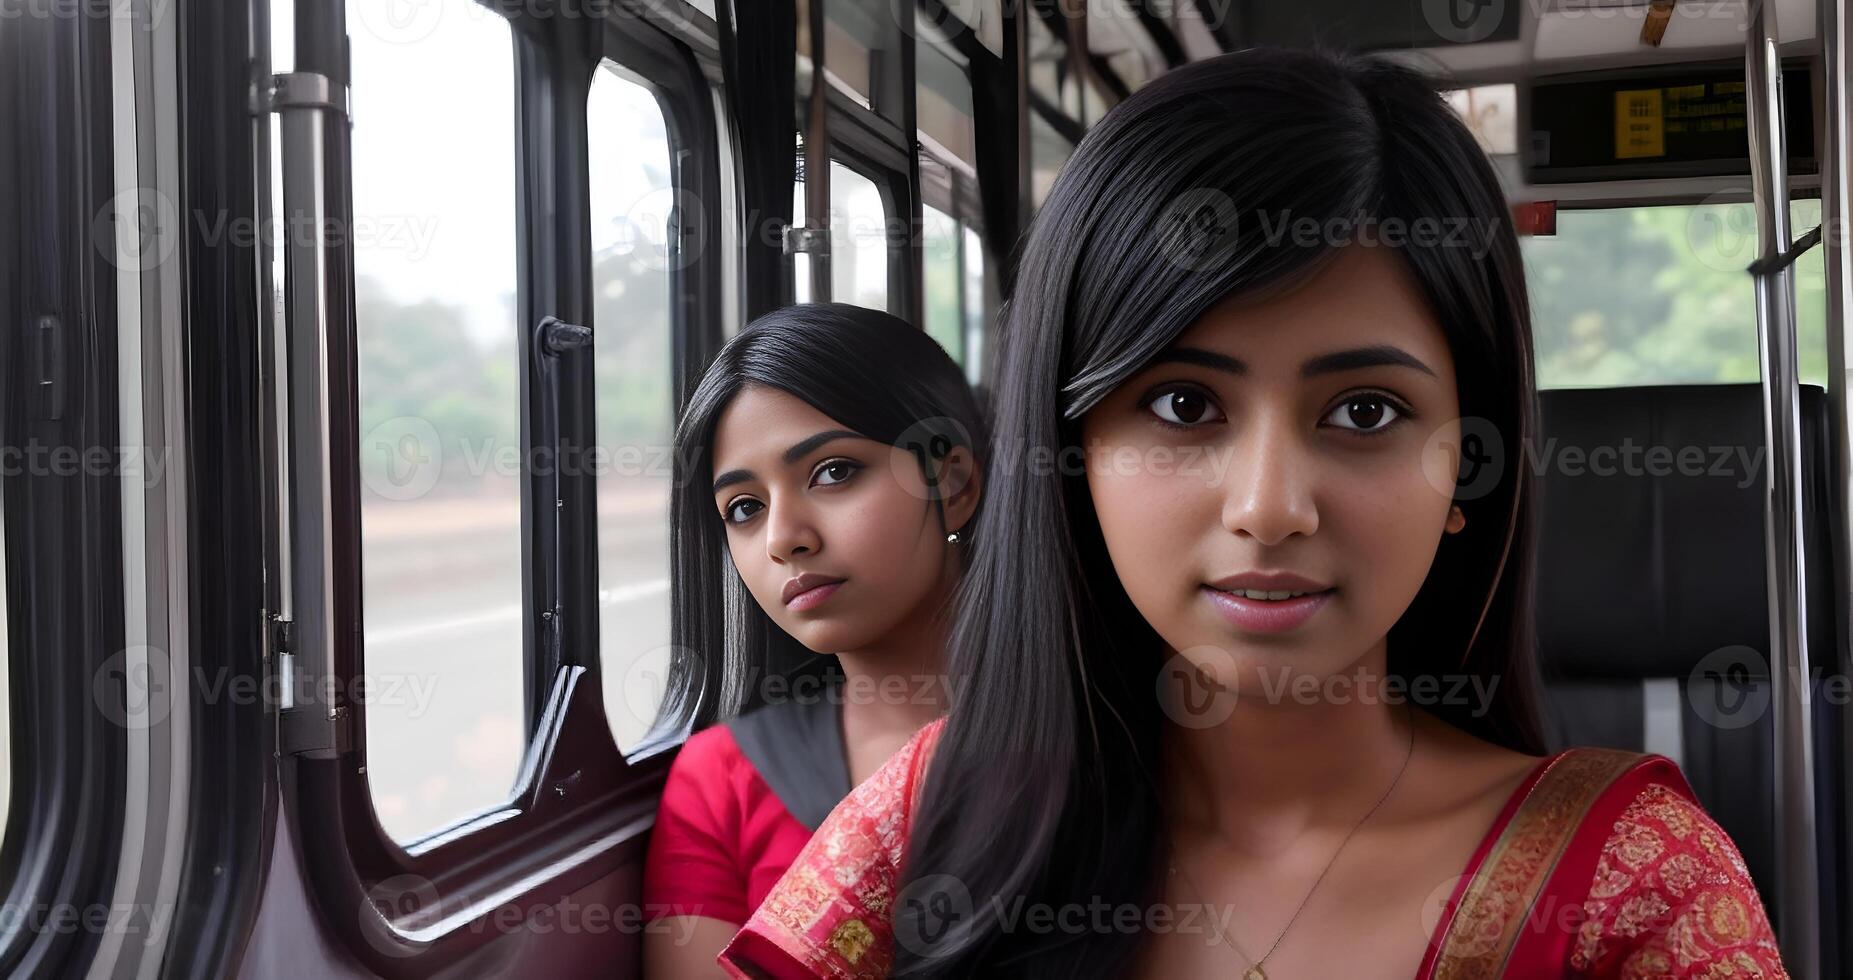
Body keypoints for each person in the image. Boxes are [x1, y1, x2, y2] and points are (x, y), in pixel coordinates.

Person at [716, 48, 1785, 979]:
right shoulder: (934, 817)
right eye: (1182, 404)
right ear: (1069, 453)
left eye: (1364, 410)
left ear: (1466, 462)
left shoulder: (1629, 879)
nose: (1268, 506)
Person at [641, 303, 984, 979]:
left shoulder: (1095, 731)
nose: (782, 538)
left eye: (832, 472)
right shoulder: (725, 780)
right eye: (744, 508)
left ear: (953, 479)